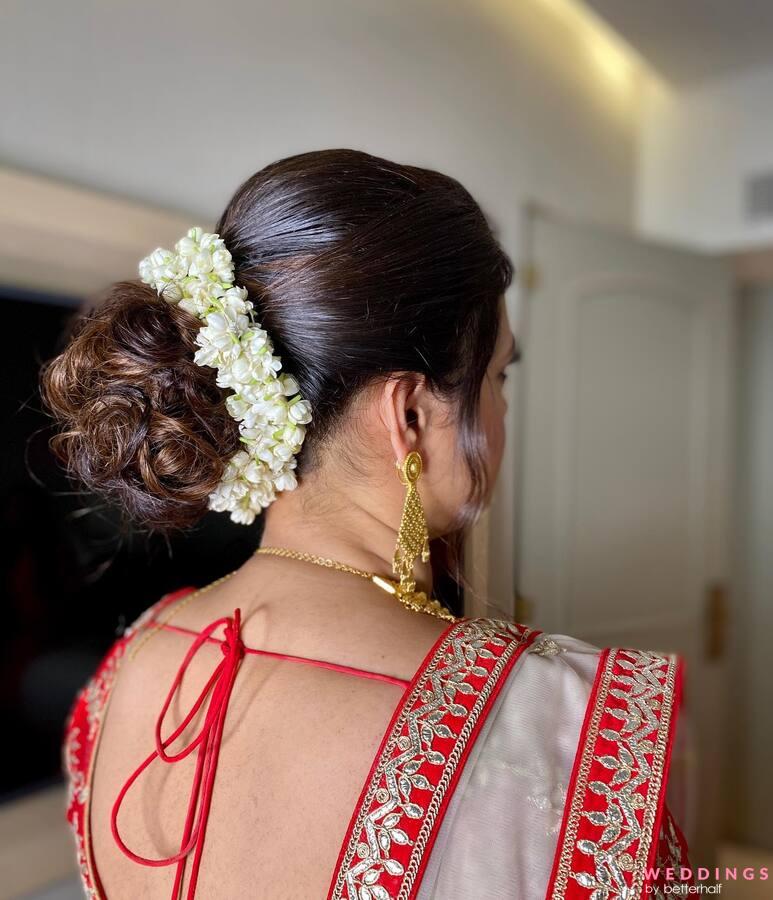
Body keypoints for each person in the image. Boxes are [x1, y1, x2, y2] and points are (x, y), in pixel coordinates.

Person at [42, 149, 689, 899]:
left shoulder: (132, 662)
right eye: (496, 376)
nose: (503, 409)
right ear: (409, 415)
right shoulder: (567, 727)